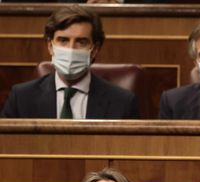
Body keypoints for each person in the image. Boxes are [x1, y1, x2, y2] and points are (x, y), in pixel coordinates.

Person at [1, 5, 140, 119]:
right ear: (50, 46)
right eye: (63, 40)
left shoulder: (122, 102)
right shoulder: (21, 97)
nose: (71, 49)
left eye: (81, 42)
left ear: (95, 49)